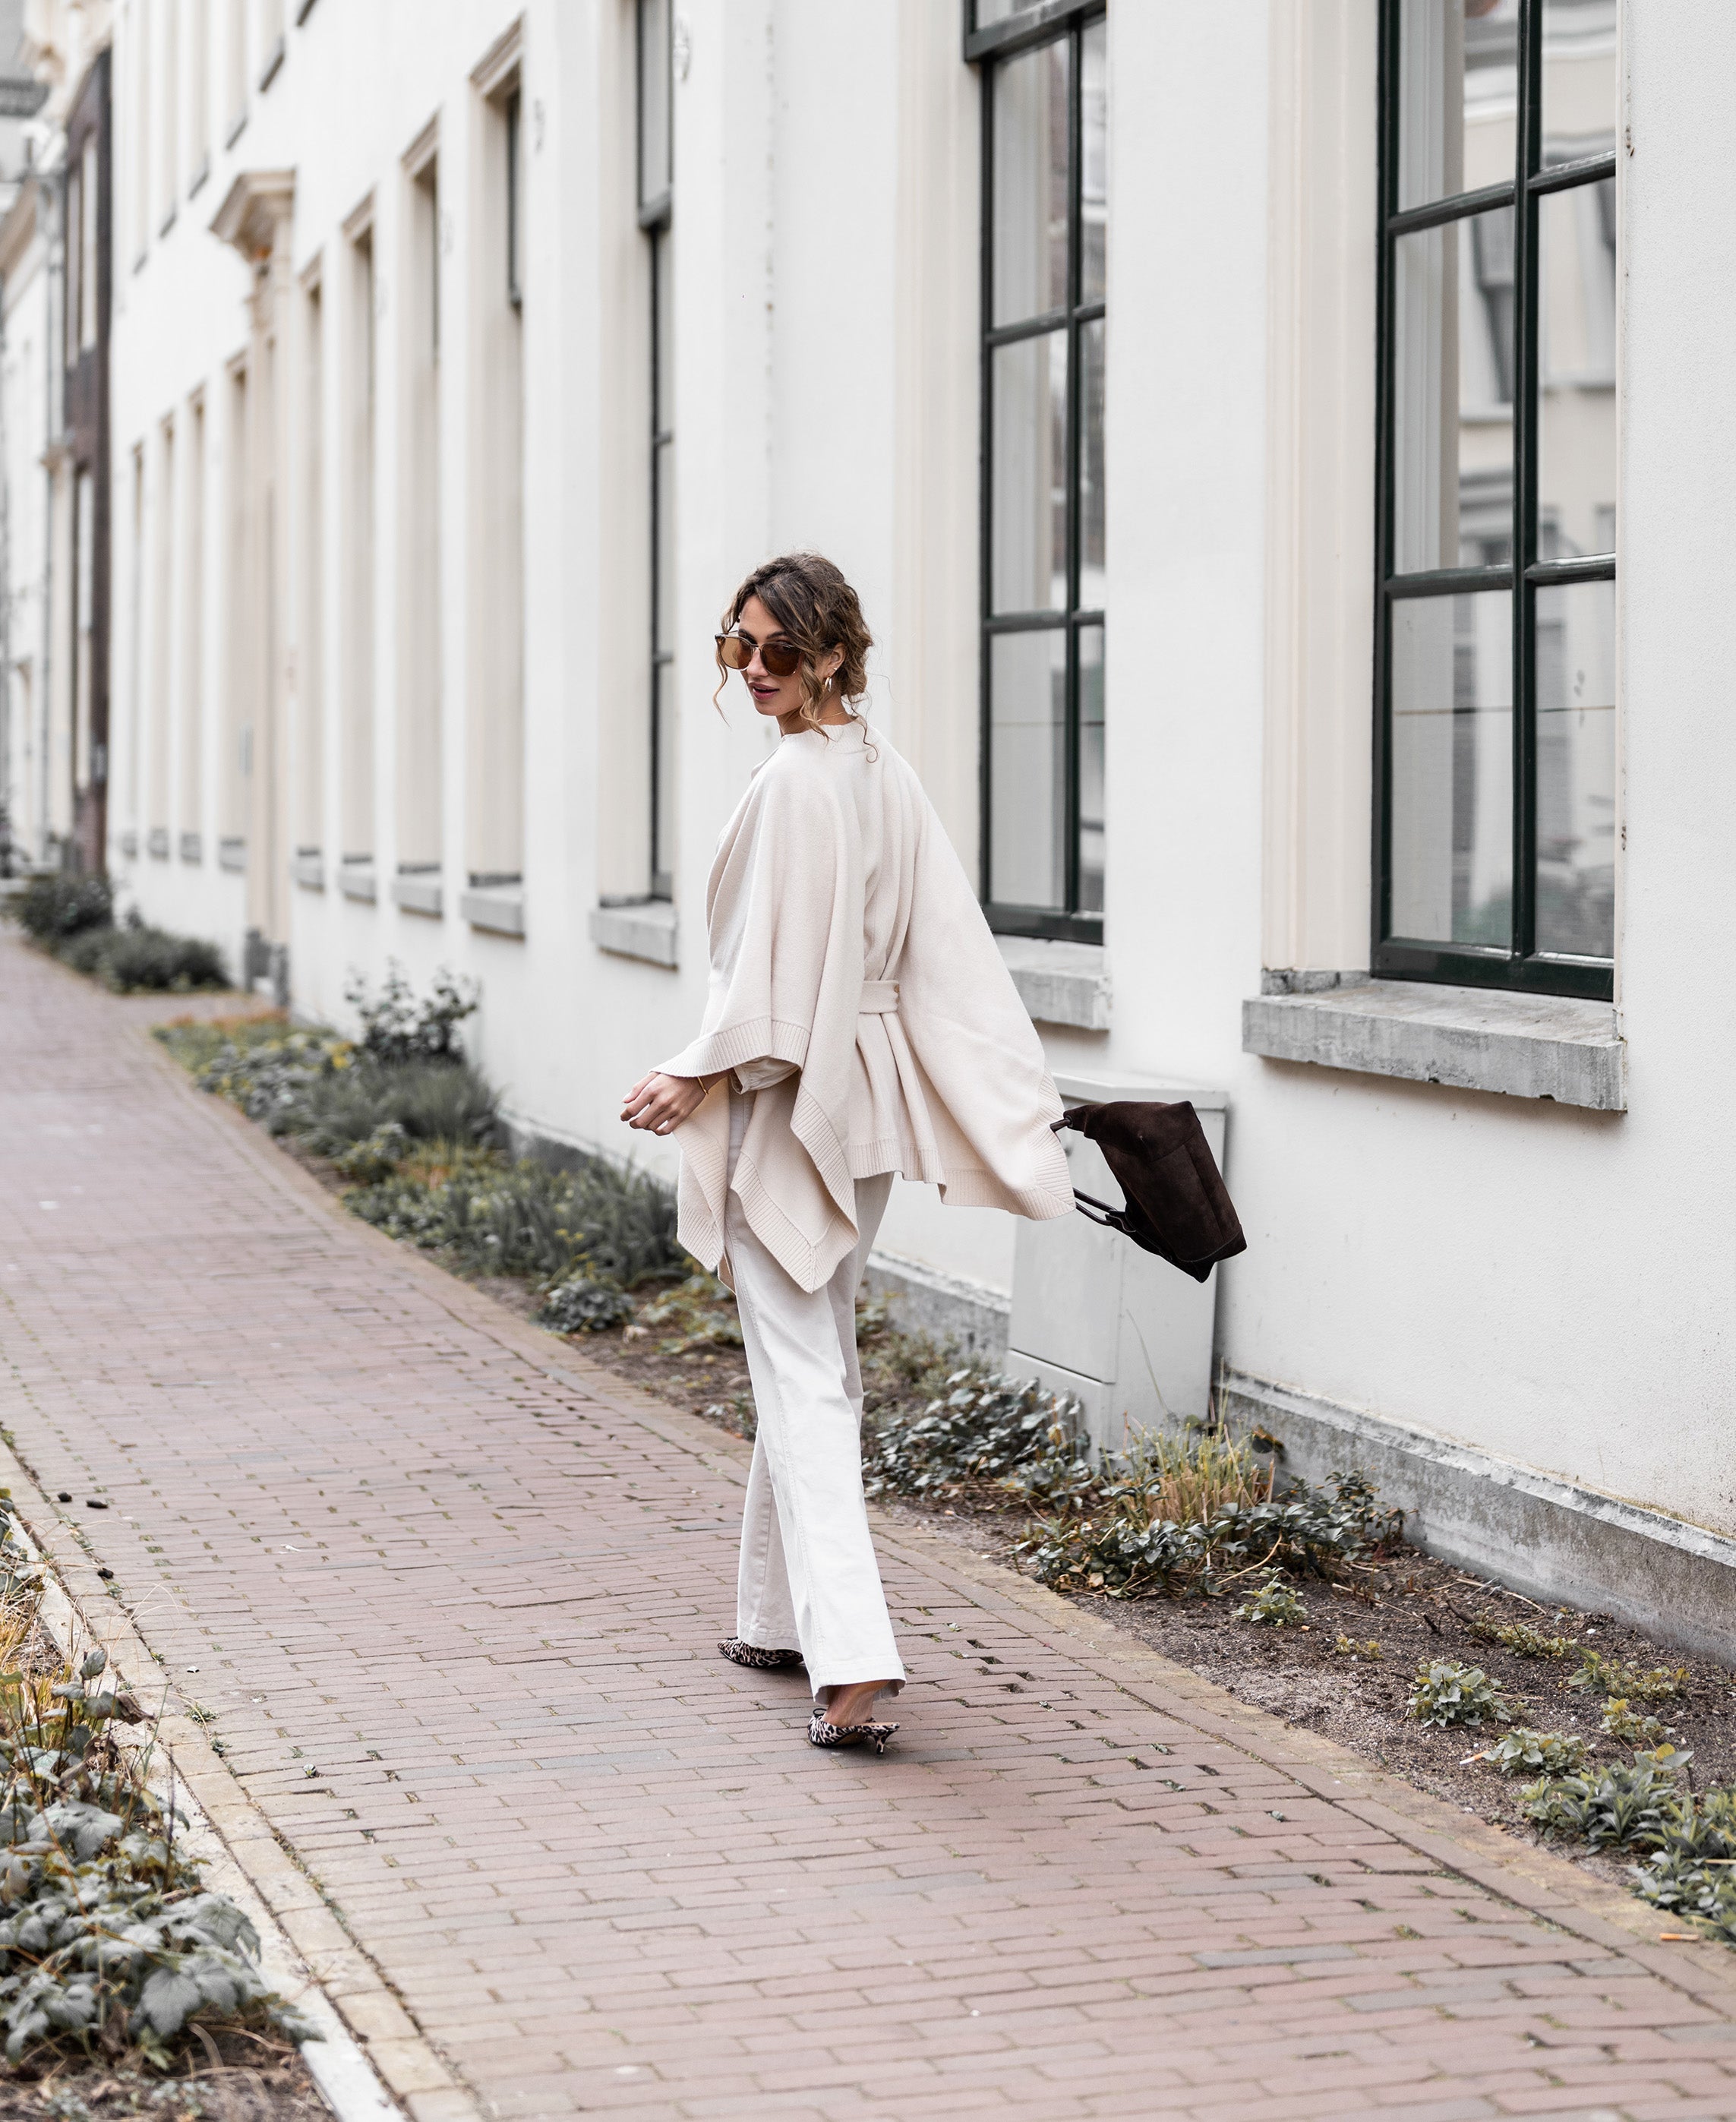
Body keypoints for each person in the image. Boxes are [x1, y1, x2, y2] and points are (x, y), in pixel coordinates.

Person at [621, 554, 1072, 1754]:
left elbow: (769, 975)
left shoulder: (795, 784)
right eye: (738, 647)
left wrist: (696, 1070)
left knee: (800, 1365)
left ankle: (855, 1654)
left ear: (831, 655)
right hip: (854, 1099)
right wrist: (1010, 1099)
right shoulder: (885, 772)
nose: (755, 671)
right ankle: (773, 1617)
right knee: (809, 1344)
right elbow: (951, 957)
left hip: (791, 1092)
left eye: (778, 651)